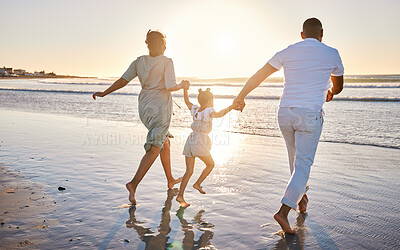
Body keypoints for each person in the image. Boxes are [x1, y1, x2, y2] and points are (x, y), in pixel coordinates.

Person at [233, 18, 344, 234]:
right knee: (302, 165)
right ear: (322, 34)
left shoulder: (288, 51)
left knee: (295, 162)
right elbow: (338, 86)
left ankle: (301, 200)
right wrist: (329, 92)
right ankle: (283, 212)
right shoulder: (332, 52)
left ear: (301, 34)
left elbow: (259, 75)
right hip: (309, 114)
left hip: (285, 112)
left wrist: (241, 96)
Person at [92, 30, 189, 204]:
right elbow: (170, 85)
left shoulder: (139, 61)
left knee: (164, 142)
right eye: (163, 43)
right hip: (159, 108)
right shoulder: (167, 62)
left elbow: (123, 81)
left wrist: (105, 93)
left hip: (144, 106)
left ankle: (170, 179)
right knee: (154, 147)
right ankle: (133, 184)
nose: (164, 46)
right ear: (161, 45)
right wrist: (183, 85)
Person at [176, 87, 236, 207]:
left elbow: (187, 101)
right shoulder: (209, 111)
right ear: (209, 102)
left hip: (191, 140)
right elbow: (219, 114)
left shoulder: (195, 109)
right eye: (212, 101)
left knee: (189, 171)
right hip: (200, 142)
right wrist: (231, 107)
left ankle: (180, 195)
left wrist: (184, 89)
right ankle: (197, 183)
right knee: (210, 164)